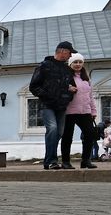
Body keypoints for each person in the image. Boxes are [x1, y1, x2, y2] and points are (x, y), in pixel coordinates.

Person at [29, 41, 79, 169]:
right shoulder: (44, 66)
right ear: (62, 51)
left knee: (59, 133)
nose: (70, 56)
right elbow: (34, 86)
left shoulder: (67, 70)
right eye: (69, 53)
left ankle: (49, 161)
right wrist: (48, 95)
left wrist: (69, 94)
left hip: (61, 106)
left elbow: (73, 86)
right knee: (52, 129)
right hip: (47, 105)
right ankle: (51, 160)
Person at [61, 53, 98, 169]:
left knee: (90, 135)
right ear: (70, 64)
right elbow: (58, 89)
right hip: (69, 112)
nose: (78, 64)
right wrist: (68, 88)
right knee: (67, 137)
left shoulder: (86, 79)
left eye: (80, 62)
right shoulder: (65, 77)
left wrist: (93, 111)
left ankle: (86, 160)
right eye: (75, 62)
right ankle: (66, 162)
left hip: (85, 112)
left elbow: (90, 97)